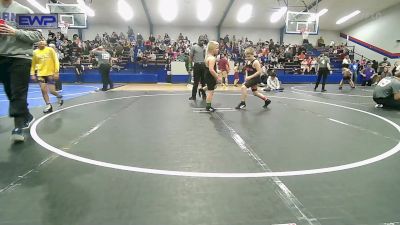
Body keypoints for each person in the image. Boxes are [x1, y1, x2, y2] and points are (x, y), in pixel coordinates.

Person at [0, 0, 43, 142]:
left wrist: (15, 32)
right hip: (2, 57)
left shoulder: (24, 11)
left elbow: (37, 35)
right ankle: (27, 115)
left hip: (21, 57)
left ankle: (17, 127)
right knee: (10, 92)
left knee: (18, 92)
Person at [31, 40, 64, 113]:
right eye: (40, 41)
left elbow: (56, 61)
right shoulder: (35, 52)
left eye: (43, 41)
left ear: (45, 43)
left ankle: (58, 96)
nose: (42, 43)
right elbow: (33, 64)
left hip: (50, 73)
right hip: (41, 74)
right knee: (43, 90)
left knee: (52, 91)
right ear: (37, 43)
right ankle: (48, 105)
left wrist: (56, 72)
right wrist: (32, 73)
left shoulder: (50, 50)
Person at [203, 41, 220, 112]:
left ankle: (203, 89)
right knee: (211, 92)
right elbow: (211, 70)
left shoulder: (208, 57)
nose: (218, 49)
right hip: (210, 76)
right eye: (217, 48)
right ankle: (208, 107)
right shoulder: (212, 58)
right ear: (212, 49)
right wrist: (217, 77)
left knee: (213, 87)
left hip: (207, 75)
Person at [189, 35, 207, 100]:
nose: (202, 41)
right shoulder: (194, 47)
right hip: (196, 65)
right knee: (196, 82)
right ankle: (193, 96)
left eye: (203, 40)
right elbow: (190, 57)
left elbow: (206, 57)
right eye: (201, 40)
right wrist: (190, 65)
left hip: (203, 65)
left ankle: (204, 95)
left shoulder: (205, 47)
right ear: (198, 40)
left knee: (203, 82)